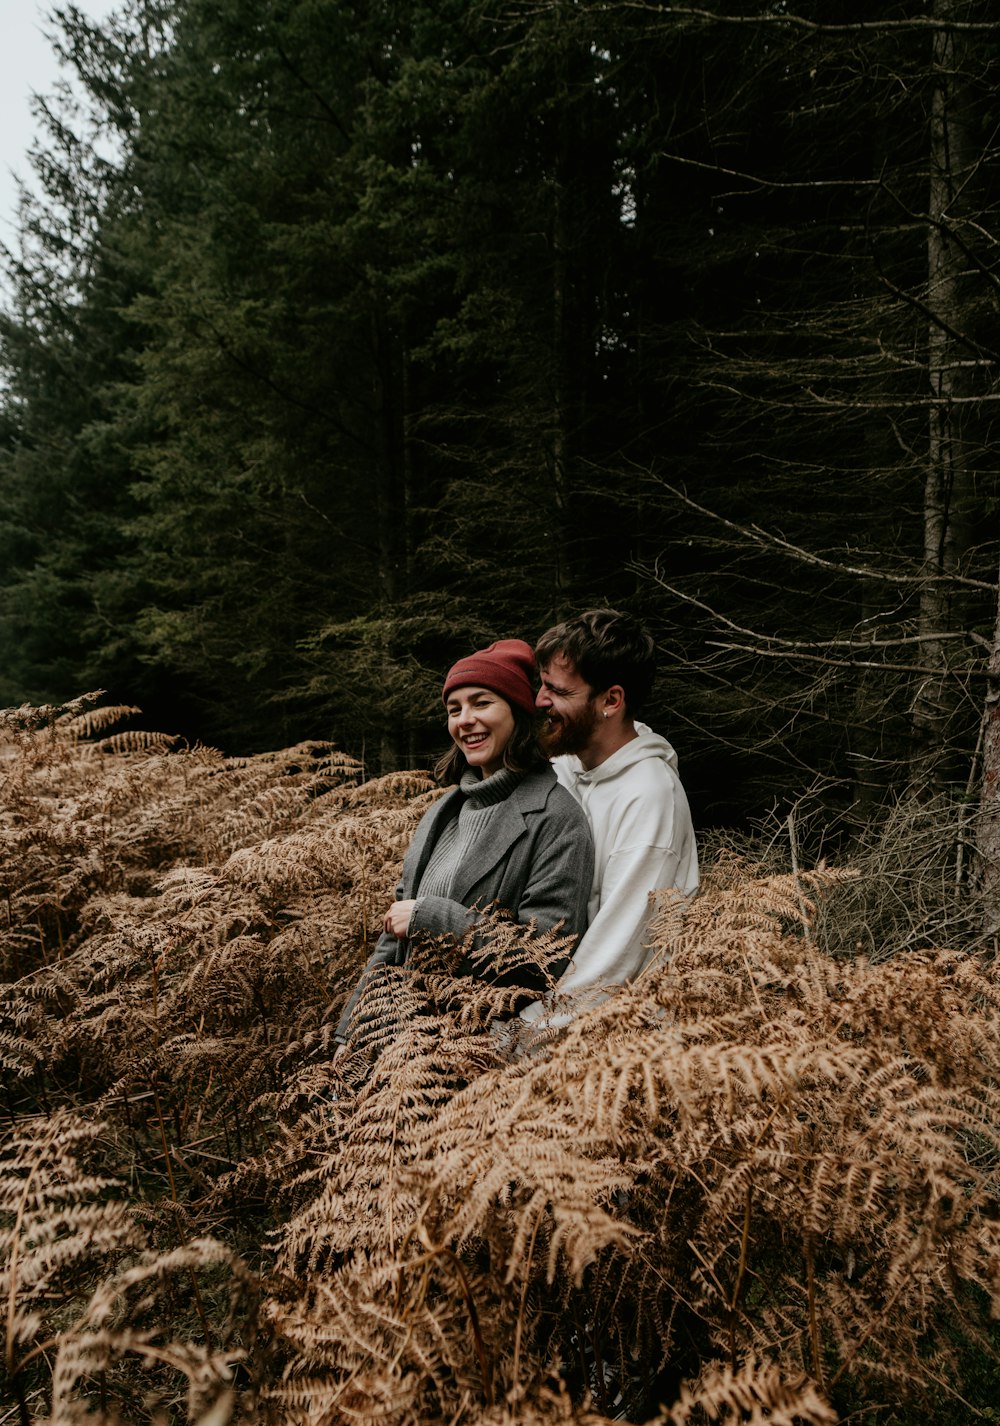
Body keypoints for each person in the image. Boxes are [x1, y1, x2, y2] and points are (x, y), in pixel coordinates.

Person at [334, 638, 594, 1054]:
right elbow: (393, 941)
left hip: (473, 1055)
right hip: (394, 1049)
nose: (465, 720)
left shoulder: (558, 820)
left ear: (518, 711)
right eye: (454, 710)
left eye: (481, 703)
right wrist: (350, 1036)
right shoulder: (445, 811)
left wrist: (434, 917)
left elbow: (543, 961)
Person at [519, 608, 698, 1029]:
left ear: (611, 701)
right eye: (541, 684)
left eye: (558, 690)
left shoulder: (651, 799)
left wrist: (509, 1040)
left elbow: (611, 963)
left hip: (614, 1046)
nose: (541, 700)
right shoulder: (565, 767)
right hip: (547, 1019)